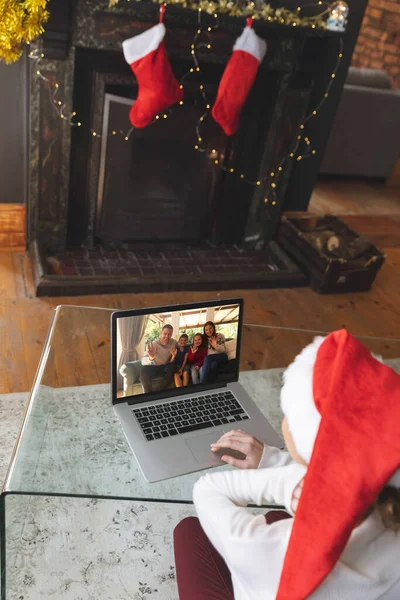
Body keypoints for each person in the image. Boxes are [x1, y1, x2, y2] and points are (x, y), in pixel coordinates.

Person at [174, 330, 400, 600]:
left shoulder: (266, 547)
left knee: (188, 529)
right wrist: (270, 460)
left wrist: (289, 483)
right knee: (272, 517)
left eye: (288, 414)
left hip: (272, 573)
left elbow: (207, 489)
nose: (284, 422)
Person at [140, 324, 177, 393]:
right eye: (165, 333)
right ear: (161, 333)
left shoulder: (174, 342)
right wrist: (151, 358)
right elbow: (143, 362)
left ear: (171, 335)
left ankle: (158, 392)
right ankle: (147, 395)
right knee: (144, 372)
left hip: (166, 366)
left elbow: (182, 348)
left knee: (173, 367)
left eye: (169, 334)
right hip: (153, 366)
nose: (167, 336)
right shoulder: (153, 344)